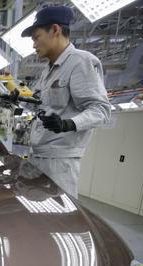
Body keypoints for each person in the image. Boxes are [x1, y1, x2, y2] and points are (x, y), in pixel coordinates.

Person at [21, 5, 111, 198]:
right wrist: (17, 97)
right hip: (38, 156)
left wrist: (67, 124)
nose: (34, 45)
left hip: (59, 162)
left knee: (58, 219)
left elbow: (101, 110)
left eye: (36, 37)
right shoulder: (48, 71)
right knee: (35, 218)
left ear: (55, 30)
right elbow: (41, 105)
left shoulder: (80, 62)